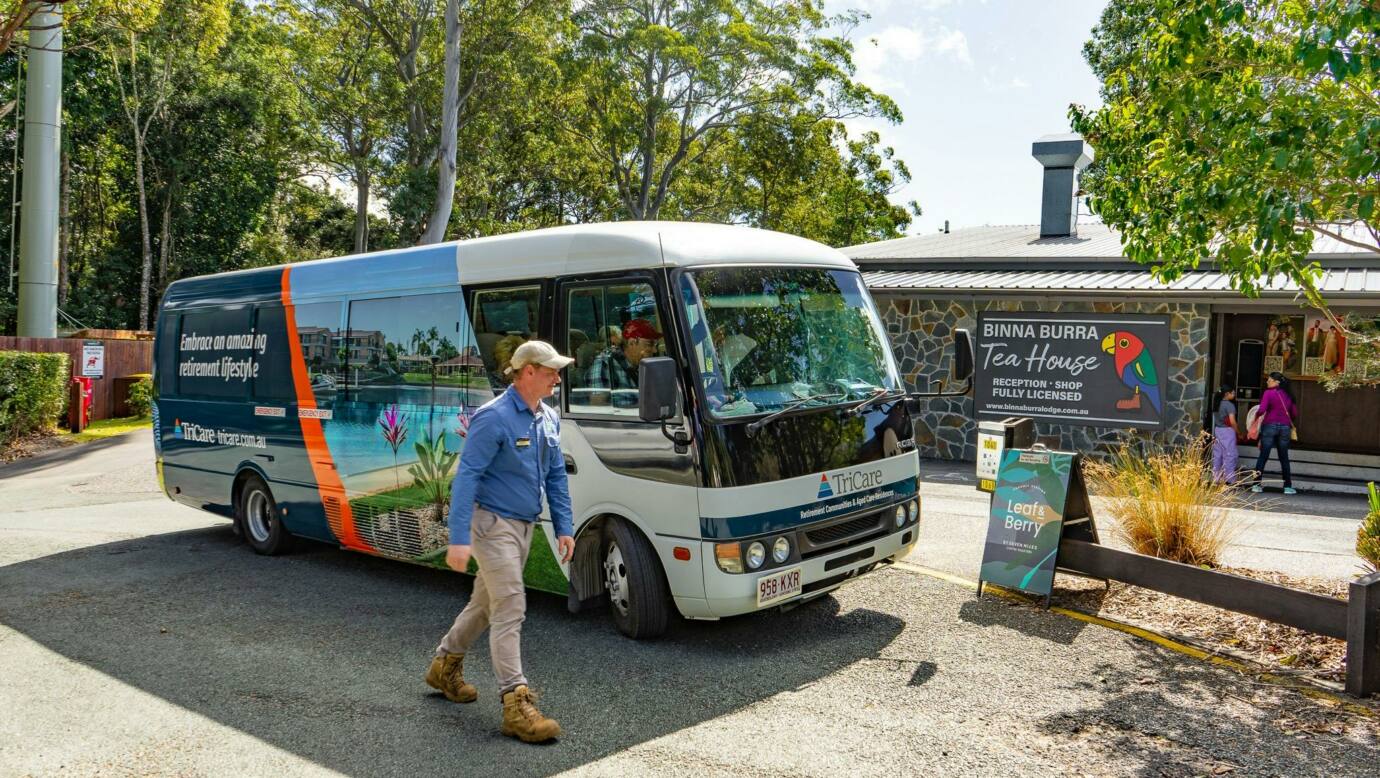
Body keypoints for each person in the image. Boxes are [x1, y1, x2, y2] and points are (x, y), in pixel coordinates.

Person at [425, 340, 576, 744]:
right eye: (550, 371)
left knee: (485, 604)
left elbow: (556, 475)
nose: (557, 378)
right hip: (491, 526)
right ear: (527, 372)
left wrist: (565, 526)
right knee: (511, 603)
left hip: (524, 527)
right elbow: (467, 477)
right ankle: (516, 701)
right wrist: (459, 538)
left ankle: (444, 665)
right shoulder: (493, 418)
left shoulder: (547, 417)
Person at [586, 318, 661, 406]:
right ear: (632, 343)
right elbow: (597, 406)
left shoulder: (642, 365)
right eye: (649, 344)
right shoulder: (605, 364)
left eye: (656, 345)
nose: (655, 350)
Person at [1251, 371, 1298, 495]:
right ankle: (1287, 486)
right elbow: (1294, 413)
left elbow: (1262, 410)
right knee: (1284, 458)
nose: (1267, 382)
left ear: (1276, 382)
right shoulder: (1289, 395)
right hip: (1285, 428)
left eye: (1269, 380)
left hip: (1269, 426)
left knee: (1263, 456)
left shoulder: (1268, 393)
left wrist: (1255, 418)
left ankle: (1256, 485)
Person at [1210, 384, 1239, 483]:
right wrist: (1239, 432)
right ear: (1227, 394)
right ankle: (1230, 479)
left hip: (1218, 430)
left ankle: (1216, 478)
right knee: (1230, 455)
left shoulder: (1216, 404)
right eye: (1233, 393)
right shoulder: (1229, 405)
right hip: (1228, 431)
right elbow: (1232, 421)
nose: (1234, 394)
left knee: (1218, 455)